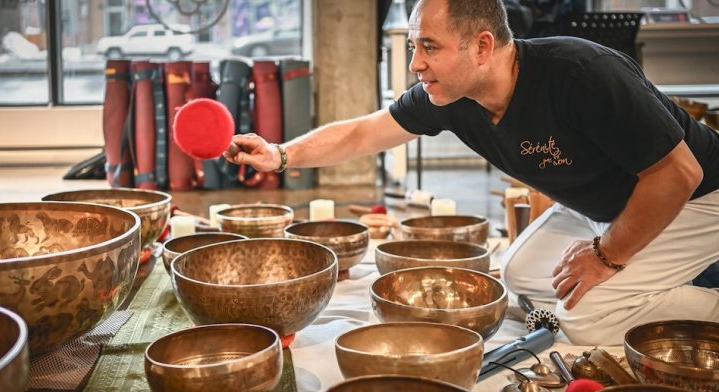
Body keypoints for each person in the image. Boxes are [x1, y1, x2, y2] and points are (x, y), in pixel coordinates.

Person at [226, 0, 719, 345]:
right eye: (415, 46)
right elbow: (362, 134)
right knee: (517, 274)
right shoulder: (451, 95)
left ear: (483, 46)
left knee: (589, 318)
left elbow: (679, 173)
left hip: (695, 200)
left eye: (430, 47)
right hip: (606, 206)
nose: (416, 64)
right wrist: (281, 153)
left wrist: (606, 257)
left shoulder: (581, 73)